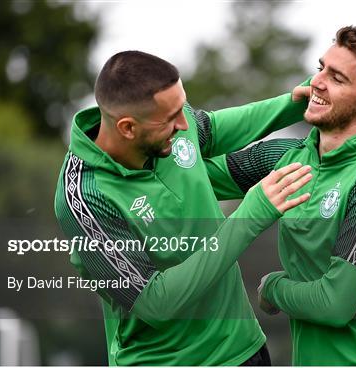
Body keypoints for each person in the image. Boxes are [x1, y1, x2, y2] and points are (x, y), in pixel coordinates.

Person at [53, 51, 313, 366]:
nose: (184, 122)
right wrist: (249, 216)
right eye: (171, 118)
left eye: (182, 108)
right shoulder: (83, 197)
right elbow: (154, 303)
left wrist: (293, 104)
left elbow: (212, 128)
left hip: (244, 351)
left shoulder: (169, 119)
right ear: (128, 128)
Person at [206, 26, 356, 365]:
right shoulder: (285, 157)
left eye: (337, 78)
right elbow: (188, 171)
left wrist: (272, 287)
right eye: (321, 68)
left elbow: (334, 305)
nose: (317, 81)